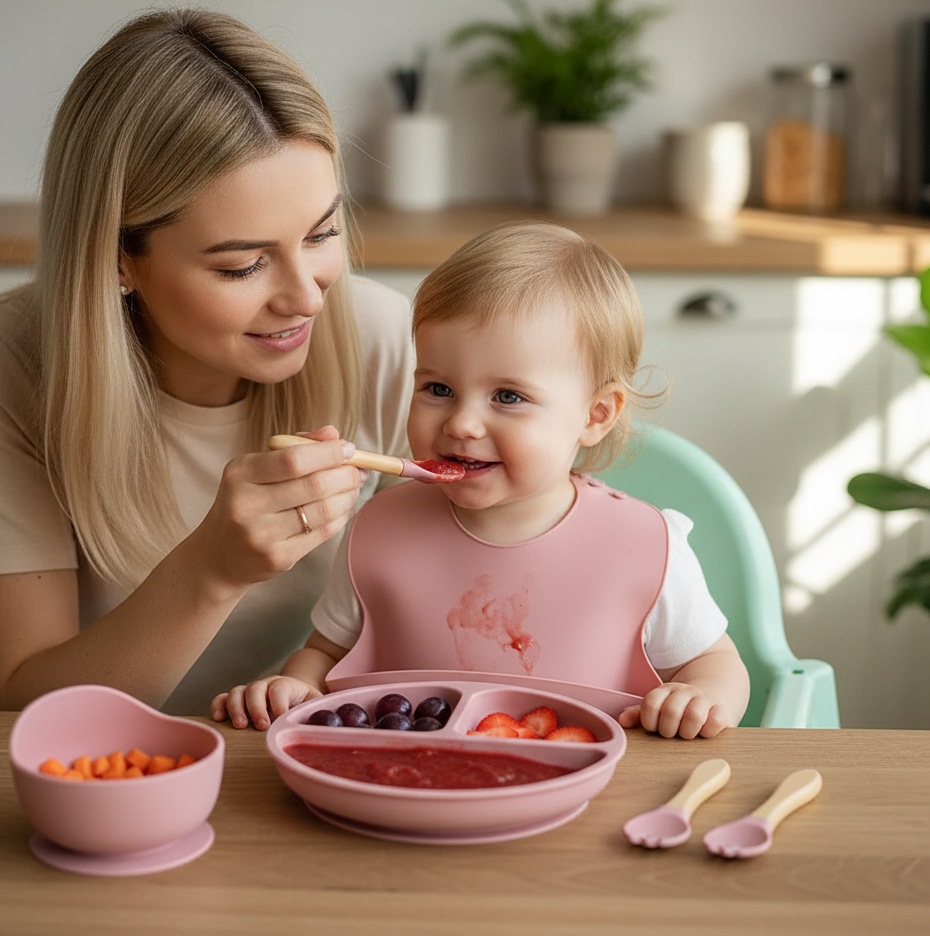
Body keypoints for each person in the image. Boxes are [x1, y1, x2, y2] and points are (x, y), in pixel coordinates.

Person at [0, 8, 415, 714]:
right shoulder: (6, 361)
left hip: (282, 755)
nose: (306, 298)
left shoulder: (382, 336)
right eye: (243, 266)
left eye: (321, 234)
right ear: (119, 259)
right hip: (89, 760)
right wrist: (210, 571)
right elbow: (19, 702)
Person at [214, 221, 750, 739]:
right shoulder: (376, 527)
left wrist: (702, 697)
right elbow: (326, 652)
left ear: (595, 415)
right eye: (438, 389)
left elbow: (714, 664)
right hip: (413, 781)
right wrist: (296, 686)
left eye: (507, 396)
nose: (462, 424)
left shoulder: (647, 546)